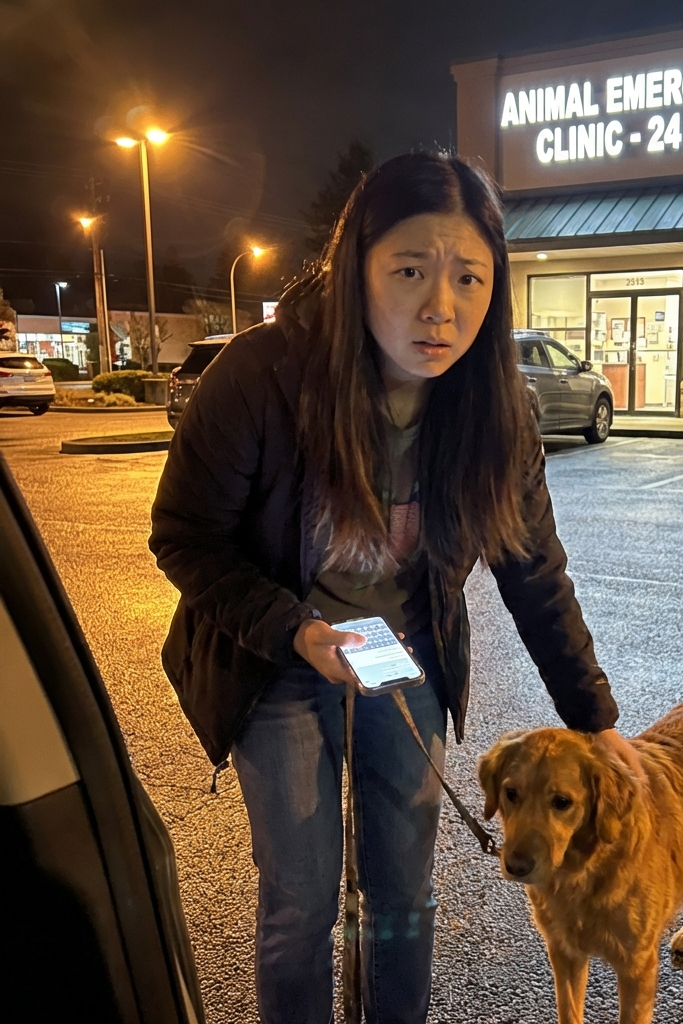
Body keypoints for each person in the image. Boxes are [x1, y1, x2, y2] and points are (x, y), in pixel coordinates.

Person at [149, 151, 633, 1024]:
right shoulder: (264, 378)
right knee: (300, 902)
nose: (440, 307)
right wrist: (293, 630)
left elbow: (533, 568)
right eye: (409, 270)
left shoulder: (495, 407)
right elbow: (184, 536)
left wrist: (594, 718)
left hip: (401, 658)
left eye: (468, 279)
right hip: (278, 660)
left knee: (404, 894)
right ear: (355, 268)